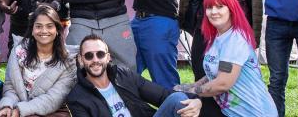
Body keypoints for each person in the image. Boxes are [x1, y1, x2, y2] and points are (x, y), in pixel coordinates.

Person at [173, 0, 277, 117]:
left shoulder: (235, 39)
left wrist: (194, 91)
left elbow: (222, 83)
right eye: (209, 7)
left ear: (231, 10)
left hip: (255, 112)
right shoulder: (218, 37)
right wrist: (190, 86)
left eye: (220, 7)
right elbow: (217, 72)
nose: (214, 12)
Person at [66, 34, 201, 117]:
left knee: (179, 99)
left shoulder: (123, 75)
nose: (95, 60)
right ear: (81, 60)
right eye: (89, 56)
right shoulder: (77, 97)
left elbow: (162, 95)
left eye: (100, 54)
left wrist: (198, 101)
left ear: (108, 58)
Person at [0, 4, 77, 117]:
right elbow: (11, 87)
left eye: (49, 26)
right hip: (18, 108)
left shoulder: (68, 61)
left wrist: (20, 110)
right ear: (32, 30)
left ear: (57, 30)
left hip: (52, 111)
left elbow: (53, 99)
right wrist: (7, 106)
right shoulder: (19, 51)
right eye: (38, 26)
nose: (44, 31)